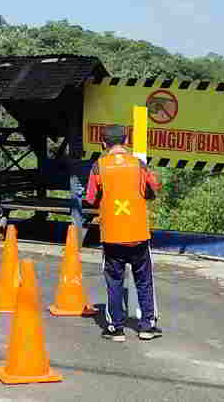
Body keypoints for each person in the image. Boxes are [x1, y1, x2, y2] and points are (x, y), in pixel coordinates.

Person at [85, 124, 163, 342]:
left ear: (103, 143)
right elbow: (154, 186)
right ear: (126, 141)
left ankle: (115, 328)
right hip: (138, 234)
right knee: (145, 281)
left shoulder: (98, 166)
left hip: (112, 236)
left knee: (114, 282)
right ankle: (147, 326)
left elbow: (90, 197)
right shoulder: (138, 164)